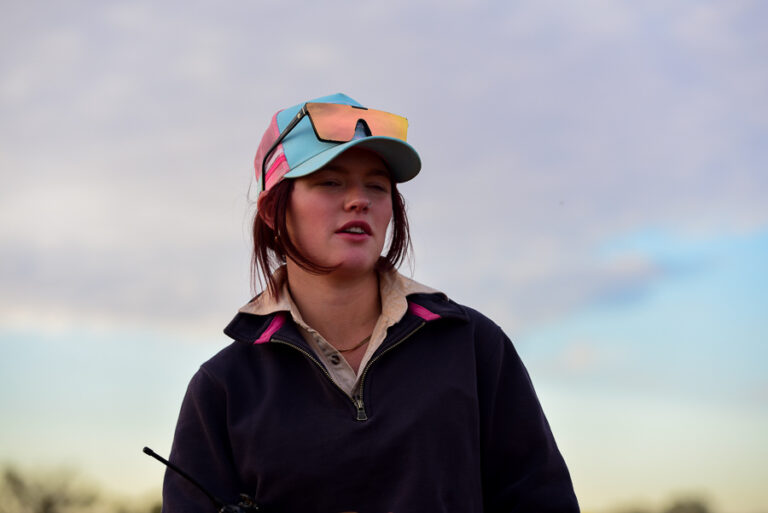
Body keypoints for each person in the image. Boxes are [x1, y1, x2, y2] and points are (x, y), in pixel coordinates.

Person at [162, 93, 580, 513]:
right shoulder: (223, 387)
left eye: (377, 186)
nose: (359, 199)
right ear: (273, 209)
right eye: (330, 181)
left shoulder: (473, 348)